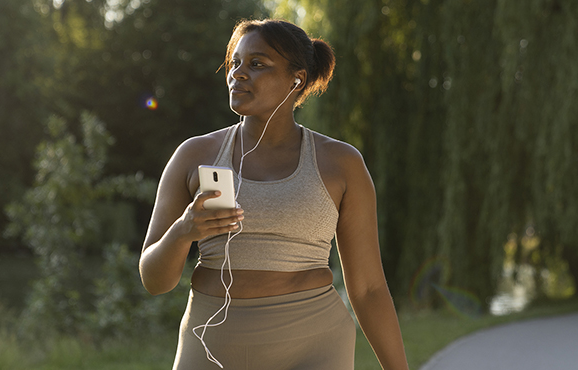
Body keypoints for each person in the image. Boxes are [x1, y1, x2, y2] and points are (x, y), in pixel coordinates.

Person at [139, 19, 409, 370]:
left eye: (257, 64)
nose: (238, 73)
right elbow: (153, 281)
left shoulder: (341, 163)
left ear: (295, 80)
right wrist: (182, 231)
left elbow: (369, 289)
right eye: (234, 63)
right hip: (211, 343)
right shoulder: (194, 155)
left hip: (314, 346)